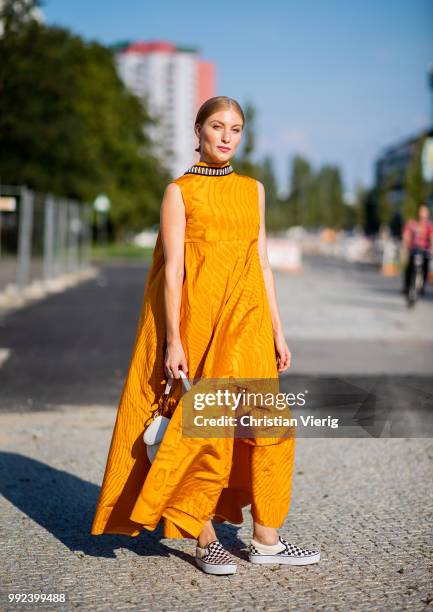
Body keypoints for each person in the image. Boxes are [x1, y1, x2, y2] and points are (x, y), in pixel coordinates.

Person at [91, 96, 320, 575]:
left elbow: (261, 262)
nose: (226, 136)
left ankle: (266, 540)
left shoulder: (253, 189)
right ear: (198, 130)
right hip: (200, 322)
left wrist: (278, 330)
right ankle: (205, 537)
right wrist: (174, 339)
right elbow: (172, 271)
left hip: (251, 322)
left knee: (271, 429)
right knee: (204, 430)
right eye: (217, 126)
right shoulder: (179, 192)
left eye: (235, 129)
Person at [402, 203, 433, 296]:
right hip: (414, 250)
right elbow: (406, 235)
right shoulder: (412, 223)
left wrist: (432, 247)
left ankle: (422, 285)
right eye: (421, 210)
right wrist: (405, 246)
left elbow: (432, 238)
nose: (423, 213)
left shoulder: (429, 225)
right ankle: (407, 286)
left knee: (426, 265)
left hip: (425, 250)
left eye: (425, 211)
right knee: (409, 267)